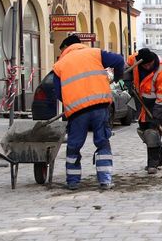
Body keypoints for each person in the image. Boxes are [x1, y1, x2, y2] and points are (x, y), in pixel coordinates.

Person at [52, 34, 125, 190]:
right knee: (103, 142)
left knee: (73, 146)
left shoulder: (60, 65)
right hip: (100, 106)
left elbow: (58, 92)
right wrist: (117, 77)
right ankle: (105, 180)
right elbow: (119, 60)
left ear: (65, 48)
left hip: (77, 111)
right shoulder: (95, 53)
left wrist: (70, 102)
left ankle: (73, 182)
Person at [126, 48, 162, 174]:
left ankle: (152, 163)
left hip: (157, 103)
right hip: (141, 101)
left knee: (152, 131)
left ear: (153, 60)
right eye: (145, 65)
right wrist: (128, 81)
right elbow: (126, 65)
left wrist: (157, 117)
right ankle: (159, 158)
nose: (147, 66)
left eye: (149, 64)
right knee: (144, 130)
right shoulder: (135, 59)